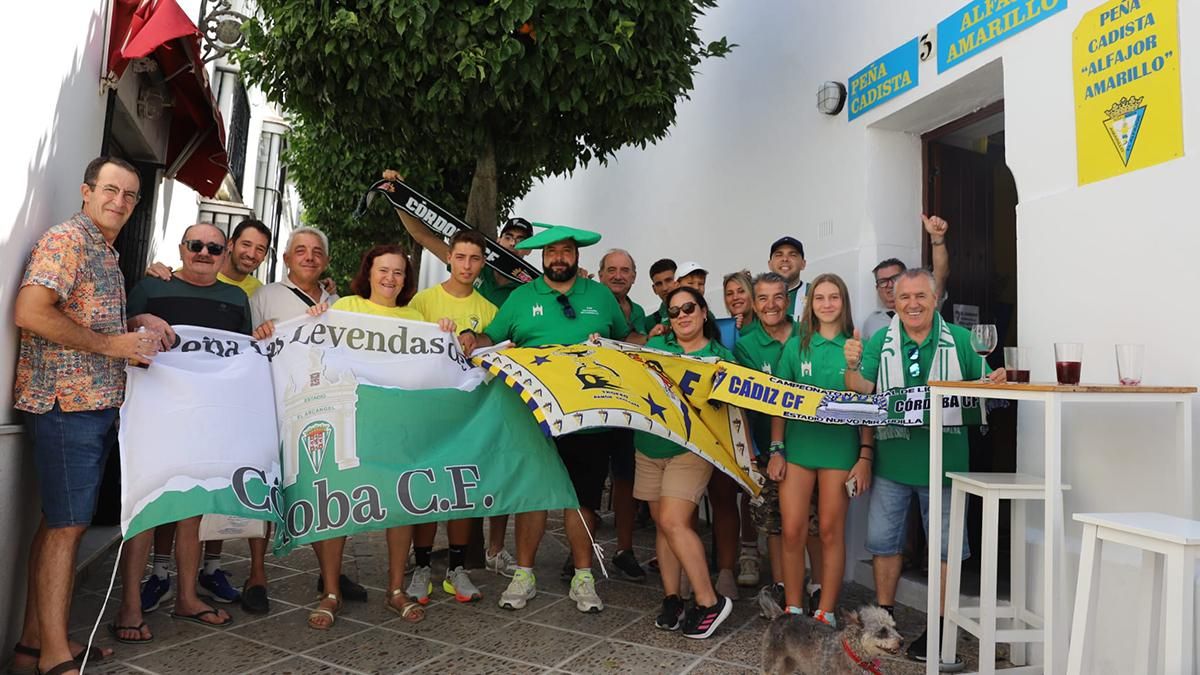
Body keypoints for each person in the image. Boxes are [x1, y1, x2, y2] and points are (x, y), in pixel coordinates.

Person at [11, 157, 167, 675]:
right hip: (65, 404)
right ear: (86, 191)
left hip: (91, 405)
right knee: (68, 527)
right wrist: (111, 344)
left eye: (129, 195)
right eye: (110, 190)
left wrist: (135, 321)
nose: (119, 201)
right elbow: (30, 311)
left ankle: (36, 644)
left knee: (59, 524)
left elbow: (86, 314)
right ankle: (53, 657)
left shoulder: (103, 249)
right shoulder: (67, 240)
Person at [458, 226, 645, 613]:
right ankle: (523, 573)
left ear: (577, 256)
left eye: (566, 251)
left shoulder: (600, 296)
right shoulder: (522, 298)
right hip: (533, 415)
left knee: (583, 500)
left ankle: (583, 576)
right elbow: (490, 338)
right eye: (552, 252)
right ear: (542, 257)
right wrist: (468, 337)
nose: (559, 257)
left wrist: (657, 341)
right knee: (534, 495)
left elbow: (627, 341)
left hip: (589, 418)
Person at [843, 268, 1005, 665]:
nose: (912, 304)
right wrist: (850, 366)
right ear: (893, 303)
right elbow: (861, 388)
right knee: (884, 543)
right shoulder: (881, 340)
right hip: (892, 461)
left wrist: (995, 380)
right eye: (904, 297)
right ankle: (886, 618)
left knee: (945, 550)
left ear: (936, 300)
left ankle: (940, 628)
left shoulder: (964, 340)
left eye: (920, 296)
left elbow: (985, 389)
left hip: (946, 464)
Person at [280, 243, 444, 628]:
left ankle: (395, 589)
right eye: (383, 270)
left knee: (401, 504)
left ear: (406, 279)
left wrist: (447, 333)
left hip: (398, 424)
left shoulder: (415, 315)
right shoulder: (346, 308)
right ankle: (331, 592)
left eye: (398, 272)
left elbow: (432, 362)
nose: (390, 278)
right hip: (351, 420)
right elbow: (313, 348)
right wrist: (314, 318)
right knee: (338, 503)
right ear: (368, 272)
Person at [113, 224, 255, 643]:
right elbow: (119, 327)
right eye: (196, 245)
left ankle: (188, 597)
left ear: (224, 252)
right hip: (153, 414)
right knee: (145, 508)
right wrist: (140, 316)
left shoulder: (236, 298)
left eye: (214, 247)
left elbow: (243, 354)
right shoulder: (151, 287)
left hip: (207, 419)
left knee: (193, 509)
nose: (204, 253)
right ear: (182, 248)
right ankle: (130, 606)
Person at [246, 227, 373, 615]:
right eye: (300, 250)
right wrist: (260, 334)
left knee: (331, 487)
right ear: (286, 259)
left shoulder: (341, 303)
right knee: (269, 491)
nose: (309, 256)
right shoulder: (263, 297)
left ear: (326, 261)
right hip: (277, 405)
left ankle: (329, 575)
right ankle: (256, 575)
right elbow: (245, 346)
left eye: (318, 251)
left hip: (326, 403)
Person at [768, 273, 872, 628]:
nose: (827, 304)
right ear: (810, 305)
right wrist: (776, 449)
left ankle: (826, 611)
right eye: (819, 298)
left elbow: (866, 402)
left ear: (844, 303)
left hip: (839, 450)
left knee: (830, 531)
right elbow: (779, 401)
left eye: (834, 297)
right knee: (793, 529)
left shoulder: (856, 347)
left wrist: (864, 455)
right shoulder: (796, 346)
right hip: (797, 448)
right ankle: (794, 608)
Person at [404, 230, 498, 603]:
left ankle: (457, 570)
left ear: (483, 263)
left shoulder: (489, 309)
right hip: (428, 412)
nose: (467, 266)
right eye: (461, 257)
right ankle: (422, 567)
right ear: (449, 258)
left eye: (475, 259)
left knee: (461, 494)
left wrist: (482, 340)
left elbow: (499, 351)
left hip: (468, 416)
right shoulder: (423, 301)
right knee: (427, 491)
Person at [637, 286, 734, 639]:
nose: (682, 316)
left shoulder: (721, 358)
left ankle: (709, 601)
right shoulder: (656, 348)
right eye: (674, 312)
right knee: (664, 527)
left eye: (689, 307)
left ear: (704, 311)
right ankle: (673, 598)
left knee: (673, 520)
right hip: (647, 445)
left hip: (692, 450)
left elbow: (735, 411)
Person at [381, 168, 534, 308]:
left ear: (529, 250)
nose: (513, 243)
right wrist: (398, 197)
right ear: (499, 241)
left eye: (522, 240)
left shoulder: (532, 287)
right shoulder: (475, 263)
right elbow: (422, 236)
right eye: (508, 237)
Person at [730, 272, 793, 598]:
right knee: (775, 522)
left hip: (809, 447)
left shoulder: (806, 336)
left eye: (778, 297)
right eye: (763, 298)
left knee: (811, 525)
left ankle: (811, 586)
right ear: (754, 304)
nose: (771, 305)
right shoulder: (746, 346)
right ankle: (782, 587)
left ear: (788, 299)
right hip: (768, 448)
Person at [595, 248, 648, 581]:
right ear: (600, 274)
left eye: (625, 270)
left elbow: (641, 344)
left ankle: (624, 550)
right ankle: (579, 551)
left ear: (633, 276)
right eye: (611, 269)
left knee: (627, 480)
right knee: (588, 481)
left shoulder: (639, 310)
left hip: (629, 408)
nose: (618, 275)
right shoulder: (589, 302)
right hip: (594, 405)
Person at [861, 215, 952, 340]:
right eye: (883, 282)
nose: (889, 286)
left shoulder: (923, 305)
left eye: (894, 279)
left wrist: (937, 238)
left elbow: (940, 274)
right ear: (877, 288)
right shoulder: (871, 322)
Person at [767, 236, 806, 315]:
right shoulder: (756, 296)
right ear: (770, 264)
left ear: (803, 264)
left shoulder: (815, 293)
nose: (785, 259)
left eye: (793, 255)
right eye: (779, 255)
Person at [644, 258, 678, 328]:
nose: (664, 288)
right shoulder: (648, 323)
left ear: (678, 281)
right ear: (654, 289)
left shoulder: (698, 311)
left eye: (668, 280)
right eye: (659, 284)